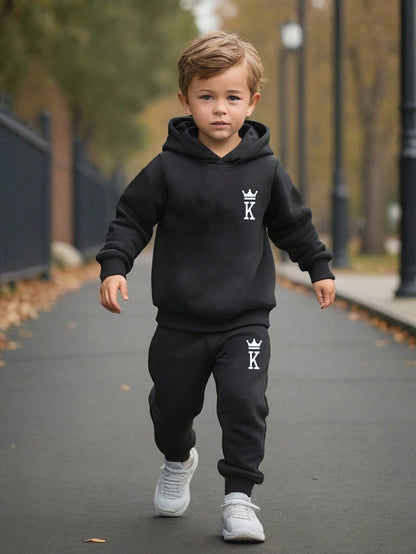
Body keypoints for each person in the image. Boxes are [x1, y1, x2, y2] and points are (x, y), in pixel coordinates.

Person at [97, 30, 336, 543]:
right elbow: (131, 220)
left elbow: (292, 224)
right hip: (180, 322)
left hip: (245, 320)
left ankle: (239, 500)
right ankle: (177, 458)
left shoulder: (265, 169)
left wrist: (318, 266)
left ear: (252, 101)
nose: (220, 110)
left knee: (245, 402)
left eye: (232, 98)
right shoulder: (167, 169)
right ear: (186, 100)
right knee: (171, 409)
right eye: (206, 97)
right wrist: (115, 265)